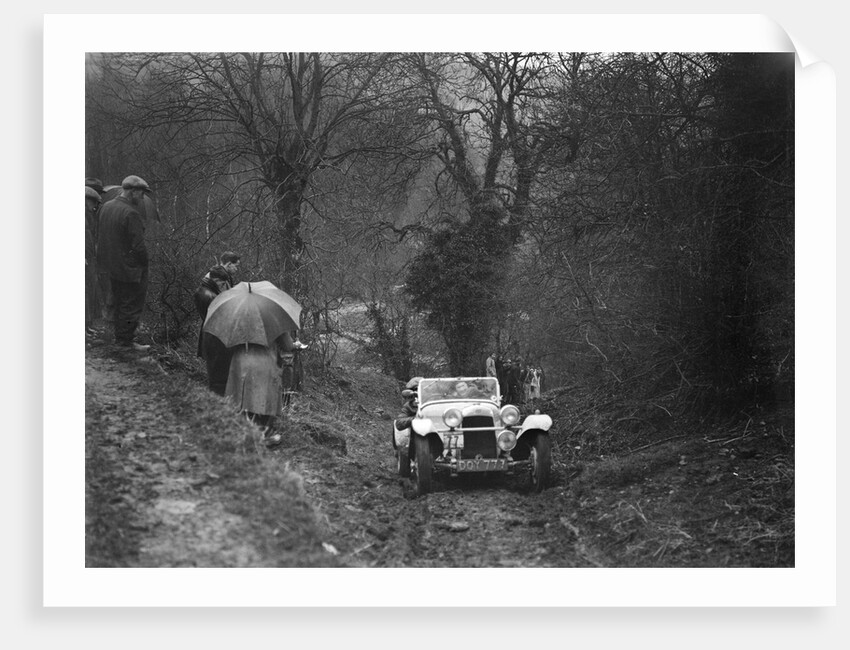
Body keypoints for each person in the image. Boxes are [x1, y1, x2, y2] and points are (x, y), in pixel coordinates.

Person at [96, 175, 152, 352]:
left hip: (110, 265)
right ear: (133, 191)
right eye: (141, 193)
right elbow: (138, 246)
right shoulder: (131, 213)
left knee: (119, 302)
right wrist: (144, 263)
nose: (142, 197)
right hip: (130, 268)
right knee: (131, 304)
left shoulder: (106, 207)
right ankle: (125, 343)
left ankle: (120, 339)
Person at [225, 341, 285, 446]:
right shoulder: (272, 325)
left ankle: (244, 432)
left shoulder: (237, 325)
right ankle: (263, 434)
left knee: (243, 398)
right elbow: (286, 344)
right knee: (264, 399)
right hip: (264, 361)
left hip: (241, 359)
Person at [85, 186, 102, 334]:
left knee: (90, 292)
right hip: (85, 258)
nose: (95, 206)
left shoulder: (88, 215)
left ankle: (87, 326)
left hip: (90, 257)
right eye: (93, 203)